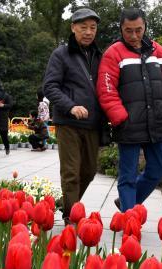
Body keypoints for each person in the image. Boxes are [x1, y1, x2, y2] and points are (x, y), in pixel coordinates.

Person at [96, 8, 162, 212]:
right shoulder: (113, 53)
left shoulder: (159, 52)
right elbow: (106, 90)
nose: (134, 36)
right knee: (127, 177)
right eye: (128, 31)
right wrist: (121, 117)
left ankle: (129, 204)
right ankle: (130, 223)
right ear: (121, 29)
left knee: (159, 168)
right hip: (129, 125)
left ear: (145, 26)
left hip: (157, 122)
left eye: (138, 30)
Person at [43, 8, 106, 225]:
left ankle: (65, 202)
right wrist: (70, 106)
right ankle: (71, 217)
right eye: (83, 27)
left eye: (93, 28)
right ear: (73, 28)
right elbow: (49, 87)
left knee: (88, 172)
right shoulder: (61, 54)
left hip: (93, 123)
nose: (88, 32)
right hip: (68, 122)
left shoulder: (100, 56)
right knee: (71, 173)